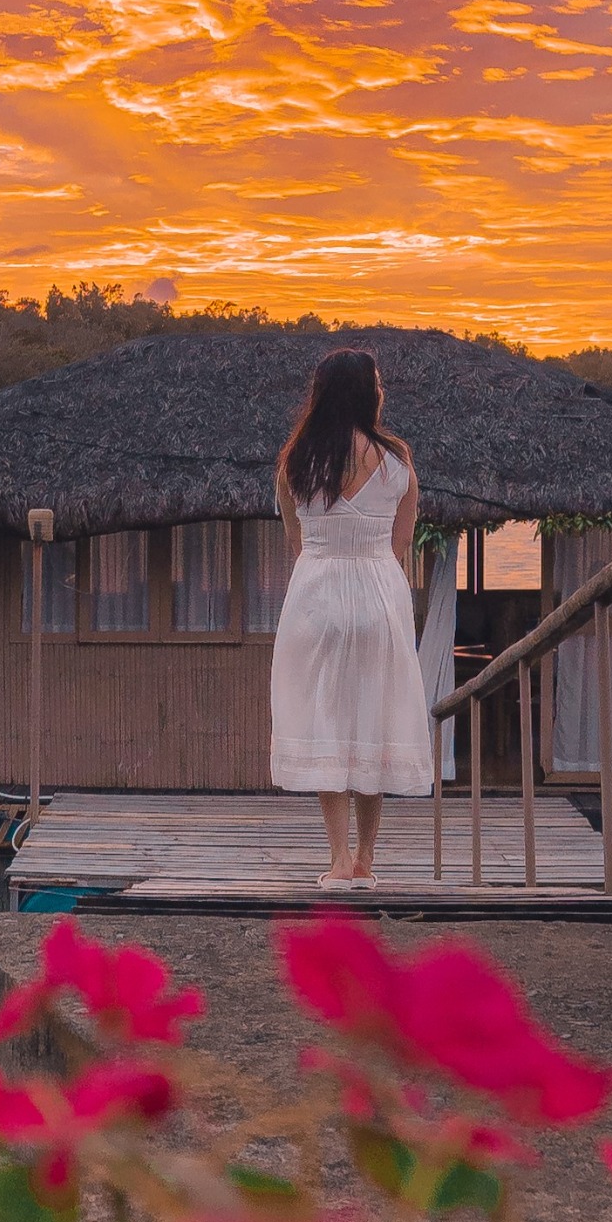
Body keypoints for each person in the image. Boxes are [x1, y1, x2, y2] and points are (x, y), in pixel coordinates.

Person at [269, 348, 436, 886]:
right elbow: (403, 543)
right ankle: (366, 855)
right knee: (374, 719)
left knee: (326, 720)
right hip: (378, 594)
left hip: (317, 593)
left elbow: (296, 541)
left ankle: (338, 856)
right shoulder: (396, 461)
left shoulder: (297, 459)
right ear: (369, 392)